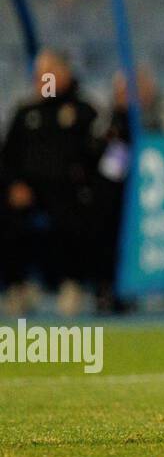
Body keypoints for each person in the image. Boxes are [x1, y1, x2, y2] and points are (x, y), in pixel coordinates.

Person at [0, 50, 101, 317]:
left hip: (68, 192)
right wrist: (14, 185)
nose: (40, 79)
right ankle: (17, 287)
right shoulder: (25, 114)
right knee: (8, 215)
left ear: (63, 74)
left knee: (74, 215)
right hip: (28, 191)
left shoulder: (82, 112)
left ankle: (72, 283)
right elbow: (7, 157)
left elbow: (94, 156)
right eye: (38, 74)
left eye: (47, 73)